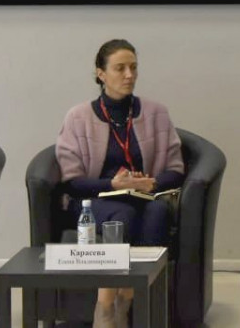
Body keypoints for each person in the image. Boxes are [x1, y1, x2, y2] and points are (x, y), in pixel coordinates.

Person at [56, 39, 185, 328]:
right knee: (122, 216)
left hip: (143, 197)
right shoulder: (78, 117)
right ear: (101, 74)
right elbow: (71, 181)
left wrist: (151, 183)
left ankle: (128, 304)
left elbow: (176, 168)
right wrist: (111, 184)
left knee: (158, 212)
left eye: (133, 68)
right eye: (120, 68)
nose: (129, 75)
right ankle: (105, 306)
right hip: (94, 201)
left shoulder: (156, 113)